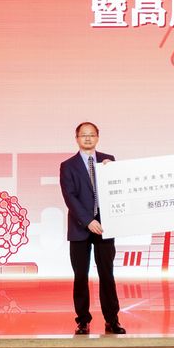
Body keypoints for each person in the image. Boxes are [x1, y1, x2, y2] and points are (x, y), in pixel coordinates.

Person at [60, 122, 126, 335]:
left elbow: (119, 188)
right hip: (80, 227)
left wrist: (113, 172)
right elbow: (70, 197)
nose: (87, 138)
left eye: (91, 135)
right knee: (80, 275)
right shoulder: (67, 166)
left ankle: (112, 320)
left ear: (98, 137)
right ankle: (83, 320)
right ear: (77, 138)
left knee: (107, 274)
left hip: (105, 226)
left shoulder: (108, 160)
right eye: (83, 135)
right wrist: (88, 220)